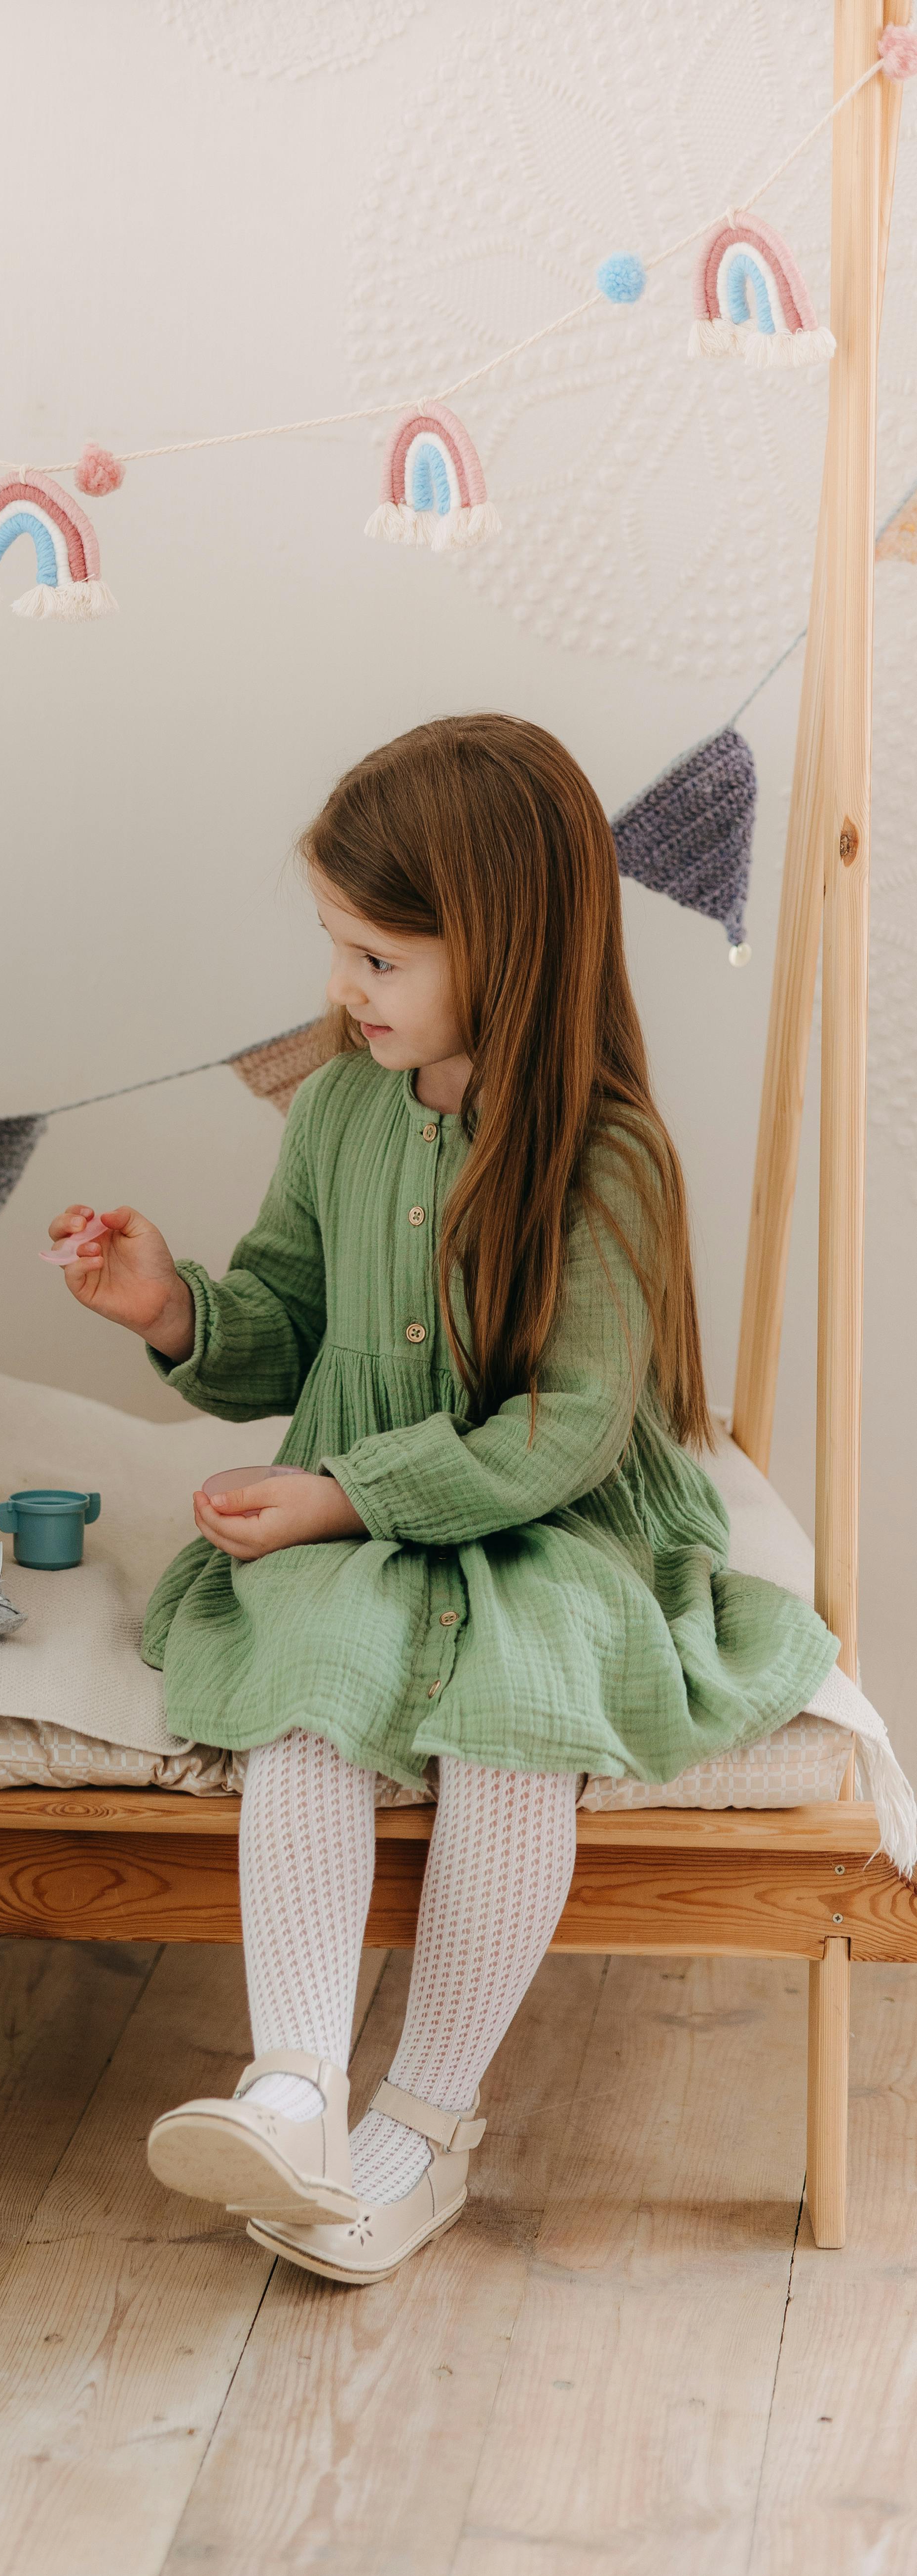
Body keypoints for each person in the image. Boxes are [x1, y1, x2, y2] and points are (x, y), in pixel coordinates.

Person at [47, 714, 836, 2285]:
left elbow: (562, 1430)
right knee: (309, 1679)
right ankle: (291, 2086)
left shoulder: (602, 1158)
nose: (343, 989)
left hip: (551, 1521)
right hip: (364, 1506)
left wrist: (345, 1497)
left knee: (519, 1704)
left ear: (507, 950)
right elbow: (285, 1311)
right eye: (338, 949)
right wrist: (169, 1310)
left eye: (378, 959)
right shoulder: (340, 1108)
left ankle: (425, 2119)